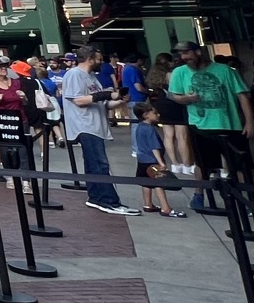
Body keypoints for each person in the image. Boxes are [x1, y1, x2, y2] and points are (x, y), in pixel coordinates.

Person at [167, 43, 254, 203]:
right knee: (202, 164)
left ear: (198, 52)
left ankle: (246, 200)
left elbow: (242, 96)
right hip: (200, 126)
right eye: (181, 55)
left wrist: (250, 122)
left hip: (230, 124)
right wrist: (188, 98)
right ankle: (199, 195)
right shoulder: (179, 72)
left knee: (239, 164)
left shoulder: (225, 70)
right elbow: (174, 96)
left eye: (187, 53)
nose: (184, 57)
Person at [62, 47, 137, 215]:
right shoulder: (74, 74)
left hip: (96, 124)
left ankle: (95, 197)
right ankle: (109, 201)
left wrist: (119, 101)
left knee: (93, 163)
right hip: (85, 125)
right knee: (100, 164)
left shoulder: (92, 77)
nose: (101, 62)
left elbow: (103, 104)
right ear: (89, 58)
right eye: (98, 59)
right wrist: (105, 95)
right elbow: (78, 100)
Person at [146, 51, 197, 178]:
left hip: (160, 105)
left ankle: (175, 164)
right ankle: (187, 165)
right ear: (169, 62)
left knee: (168, 136)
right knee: (182, 136)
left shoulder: (153, 75)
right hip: (175, 104)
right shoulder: (171, 74)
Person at [133, 102, 184, 217]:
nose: (158, 114)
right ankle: (165, 207)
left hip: (142, 159)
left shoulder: (139, 127)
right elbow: (154, 147)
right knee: (158, 183)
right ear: (146, 115)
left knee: (145, 182)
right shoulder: (149, 129)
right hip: (152, 160)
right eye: (155, 113)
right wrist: (161, 162)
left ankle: (147, 203)